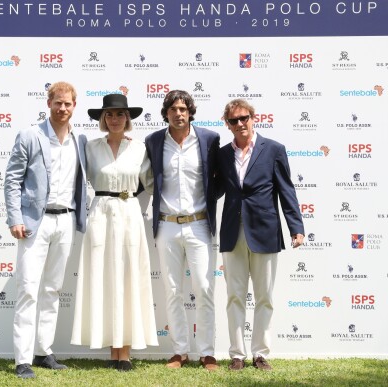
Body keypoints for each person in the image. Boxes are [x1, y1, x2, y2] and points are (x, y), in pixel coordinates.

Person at [4, 81, 87, 379]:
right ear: (48, 103)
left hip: (65, 221)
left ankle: (43, 351)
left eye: (68, 104)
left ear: (74, 106)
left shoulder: (80, 140)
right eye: (58, 103)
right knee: (28, 289)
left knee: (52, 289)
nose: (62, 108)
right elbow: (12, 179)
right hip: (33, 223)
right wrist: (15, 217)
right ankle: (22, 359)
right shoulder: (30, 135)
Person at [71, 94, 157, 371]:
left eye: (120, 114)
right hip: (100, 213)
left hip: (130, 211)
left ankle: (126, 353)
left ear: (128, 118)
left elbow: (154, 184)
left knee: (129, 277)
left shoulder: (141, 148)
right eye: (109, 114)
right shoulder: (90, 147)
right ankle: (112, 351)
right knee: (105, 277)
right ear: (102, 119)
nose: (115, 119)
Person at [217, 99, 305, 371]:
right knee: (234, 296)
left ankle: (260, 353)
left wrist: (296, 227)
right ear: (227, 125)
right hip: (233, 231)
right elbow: (214, 191)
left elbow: (286, 190)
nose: (240, 124)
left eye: (244, 118)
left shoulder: (274, 149)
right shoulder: (221, 154)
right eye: (233, 120)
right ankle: (236, 355)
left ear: (254, 118)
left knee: (264, 296)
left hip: (265, 231)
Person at [145, 90, 220, 371]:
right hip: (166, 225)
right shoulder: (153, 141)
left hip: (199, 224)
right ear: (166, 112)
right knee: (173, 290)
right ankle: (179, 351)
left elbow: (219, 180)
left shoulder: (209, 139)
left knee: (203, 287)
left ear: (190, 112)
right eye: (173, 109)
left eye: (183, 109)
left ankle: (207, 352)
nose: (179, 113)